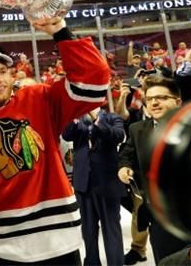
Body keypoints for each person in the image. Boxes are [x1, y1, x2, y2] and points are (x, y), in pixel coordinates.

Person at [0, 14, 111, 265]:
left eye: (3, 71)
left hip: (58, 238)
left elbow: (93, 84)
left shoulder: (39, 98)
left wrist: (61, 32)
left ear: (13, 76)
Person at [118, 76, 190, 264]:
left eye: (162, 98)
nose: (154, 103)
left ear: (178, 101)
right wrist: (124, 166)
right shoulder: (137, 129)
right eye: (149, 99)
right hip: (158, 219)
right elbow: (127, 152)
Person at [62, 108, 126, 266]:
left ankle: (116, 263)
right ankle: (91, 262)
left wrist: (96, 118)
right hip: (83, 184)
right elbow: (66, 134)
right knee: (88, 231)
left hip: (108, 183)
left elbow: (118, 136)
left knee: (111, 230)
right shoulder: (78, 119)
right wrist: (75, 115)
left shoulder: (112, 117)